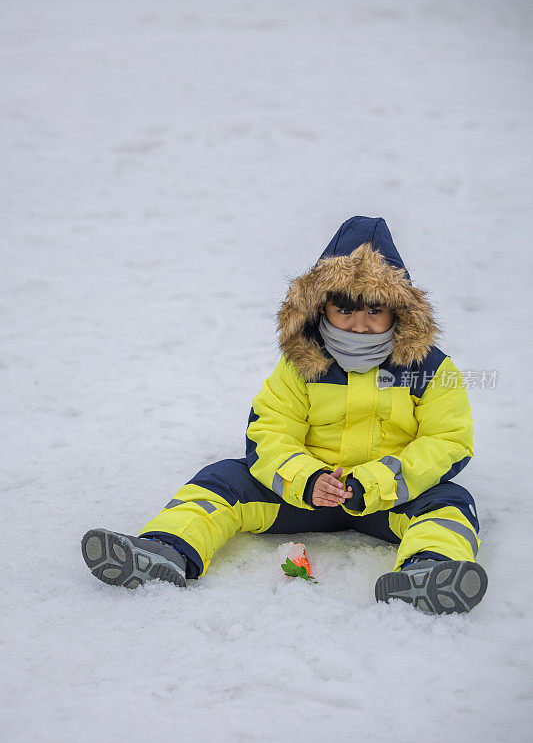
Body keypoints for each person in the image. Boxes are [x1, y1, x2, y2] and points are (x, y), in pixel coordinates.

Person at [81, 215, 487, 614]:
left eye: (374, 310)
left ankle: (429, 569)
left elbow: (448, 439)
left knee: (450, 503)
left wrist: (375, 481)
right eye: (344, 309)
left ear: (399, 309)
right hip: (304, 494)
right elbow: (271, 430)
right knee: (222, 479)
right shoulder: (301, 362)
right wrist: (306, 479)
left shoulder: (429, 367)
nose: (359, 325)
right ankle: (166, 549)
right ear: (320, 306)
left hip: (390, 496)